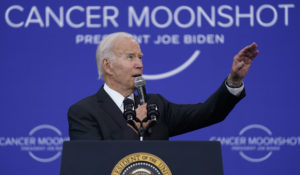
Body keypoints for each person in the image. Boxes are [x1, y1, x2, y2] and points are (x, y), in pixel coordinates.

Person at [68, 32, 259, 140]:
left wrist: (234, 80)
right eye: (130, 57)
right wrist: (134, 126)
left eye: (140, 57)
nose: (139, 64)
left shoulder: (156, 105)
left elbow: (209, 113)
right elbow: (91, 164)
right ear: (107, 65)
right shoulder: (84, 112)